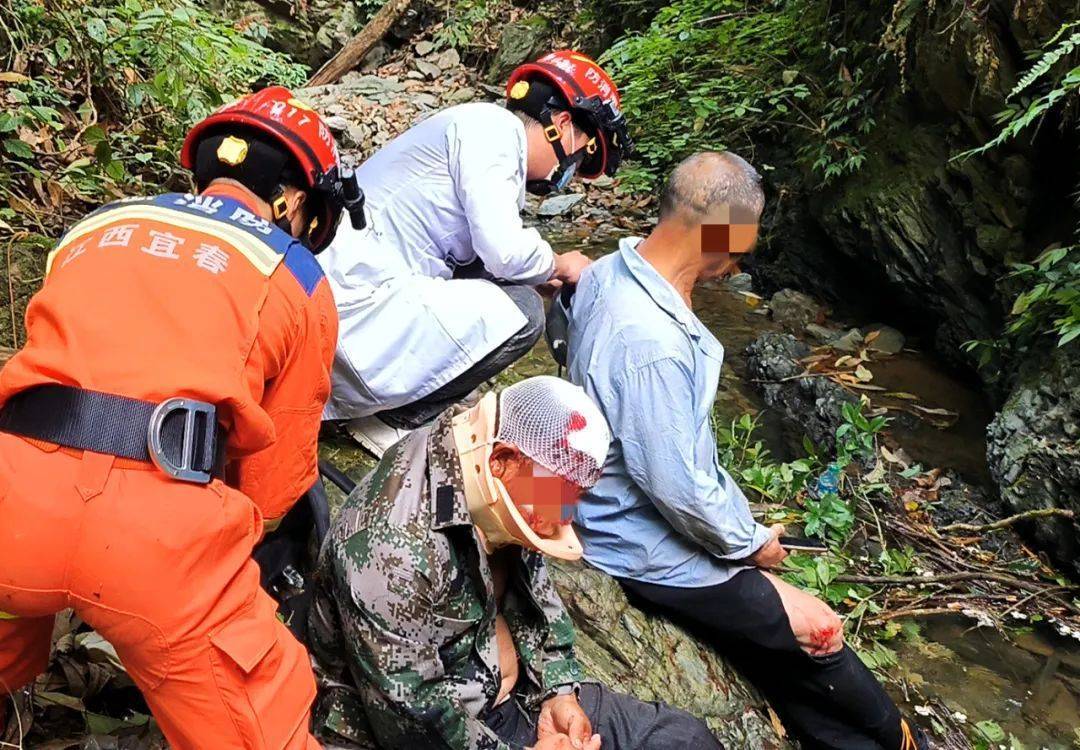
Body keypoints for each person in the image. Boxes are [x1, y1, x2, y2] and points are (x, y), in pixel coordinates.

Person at [0, 87, 354, 749]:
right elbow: (274, 486)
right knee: (262, 729)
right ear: (296, 200)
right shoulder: (296, 273)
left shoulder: (94, 226)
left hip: (11, 497)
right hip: (156, 546)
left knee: (7, 643)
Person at [566, 152, 930, 750]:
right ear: (720, 229)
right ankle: (896, 743)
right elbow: (676, 485)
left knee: (781, 639)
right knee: (819, 630)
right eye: (743, 240)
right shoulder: (650, 341)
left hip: (619, 511)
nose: (743, 257)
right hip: (639, 544)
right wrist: (752, 541)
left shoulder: (612, 271)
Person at [307, 376, 722, 750]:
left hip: (511, 693)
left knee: (687, 739)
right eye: (560, 494)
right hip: (420, 728)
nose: (566, 515)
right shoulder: (393, 555)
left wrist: (558, 690)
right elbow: (412, 722)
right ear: (501, 459)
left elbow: (533, 593)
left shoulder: (494, 479)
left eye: (574, 497)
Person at [318, 50, 633, 453]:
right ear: (563, 124)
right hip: (353, 307)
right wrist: (557, 263)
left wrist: (537, 274)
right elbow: (503, 250)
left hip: (353, 296)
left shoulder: (483, 134)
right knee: (525, 313)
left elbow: (481, 261)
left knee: (513, 291)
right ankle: (387, 424)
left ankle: (379, 407)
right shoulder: (494, 132)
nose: (567, 174)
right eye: (578, 155)